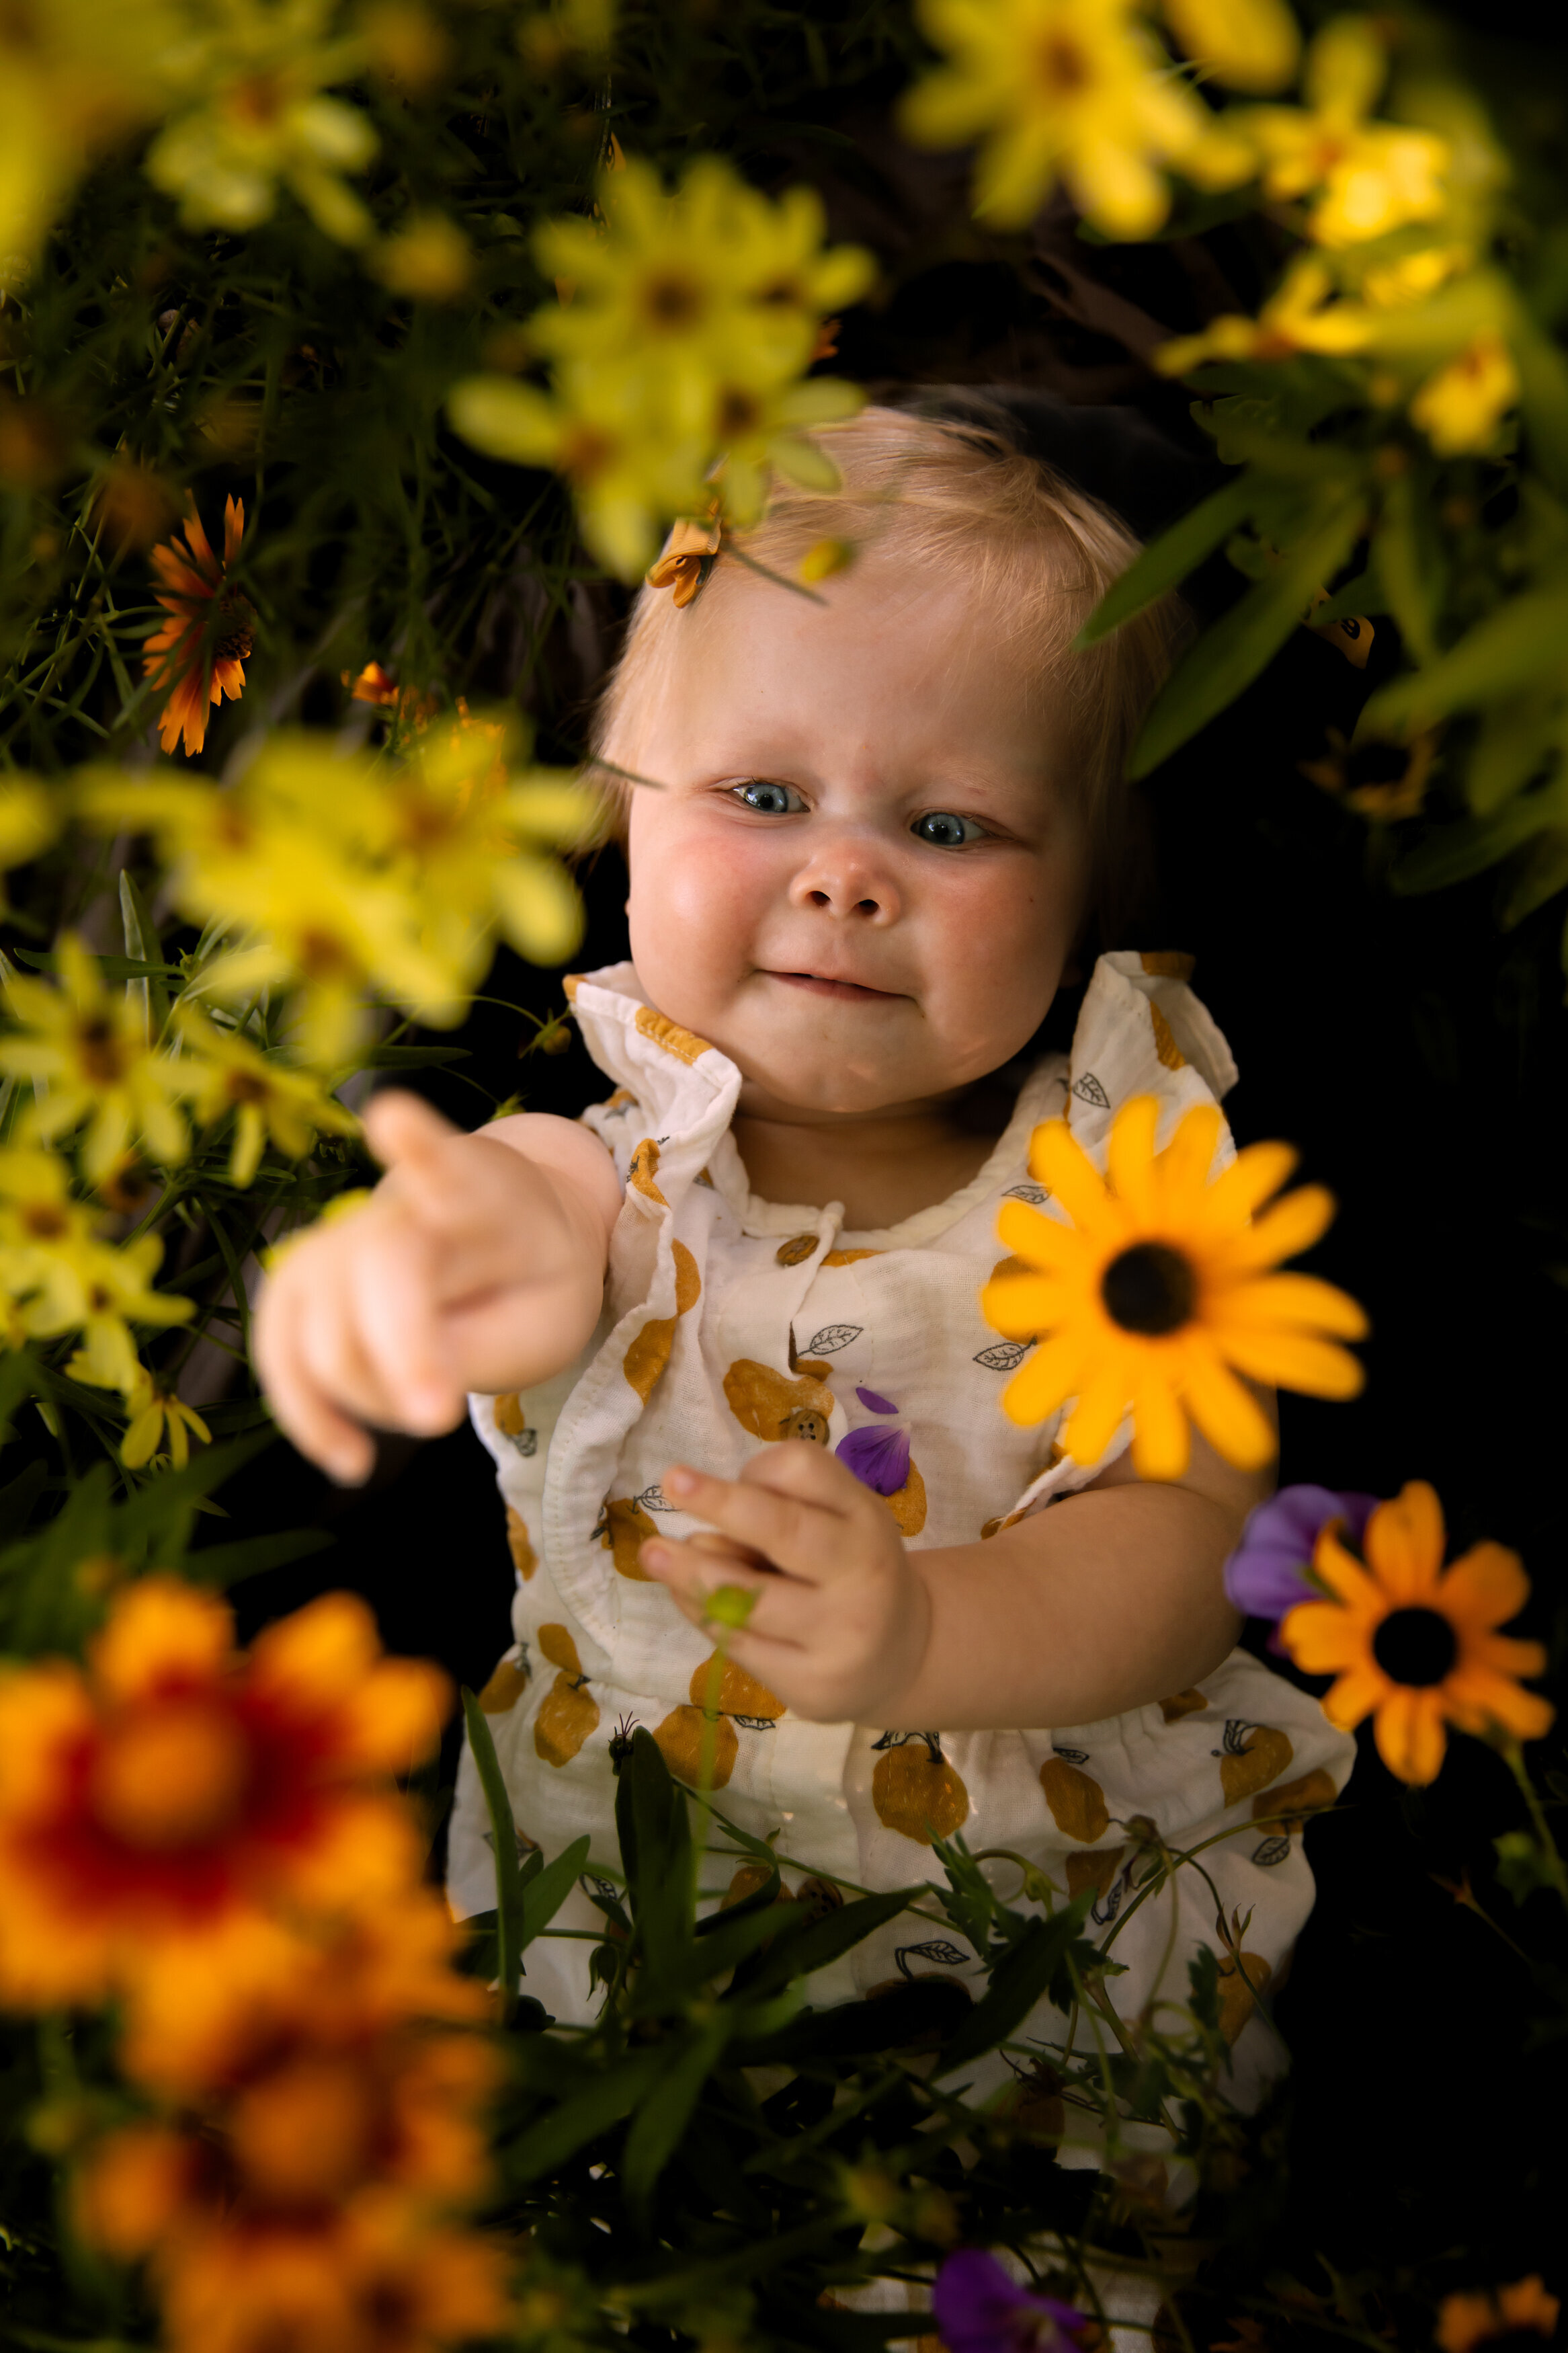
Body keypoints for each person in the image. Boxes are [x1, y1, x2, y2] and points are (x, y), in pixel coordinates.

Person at [254, 405, 1354, 2187]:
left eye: (950, 822)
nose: (845, 872)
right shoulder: (617, 1160)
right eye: (763, 796)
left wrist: (933, 1632)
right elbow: (530, 1256)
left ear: (1094, 889)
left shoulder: (1136, 1180)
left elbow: (1190, 1535)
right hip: (628, 1920)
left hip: (1035, 1949)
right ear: (623, 823)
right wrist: (419, 1259)